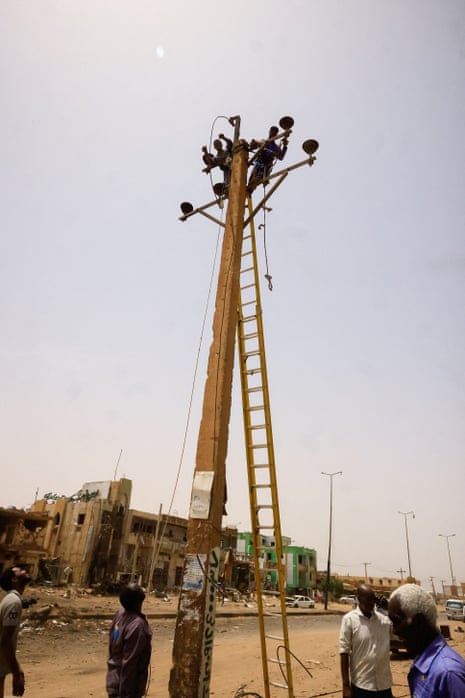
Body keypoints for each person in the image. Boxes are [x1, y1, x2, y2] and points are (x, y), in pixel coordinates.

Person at [388, 583, 465, 697]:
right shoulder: (423, 662)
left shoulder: (448, 674)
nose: (394, 630)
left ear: (418, 622)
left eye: (397, 622)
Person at [339, 584, 393, 698]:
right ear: (358, 599)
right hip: (362, 685)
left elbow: (402, 627)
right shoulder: (349, 620)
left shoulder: (384, 621)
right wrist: (345, 686)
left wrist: (389, 608)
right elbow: (344, 652)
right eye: (367, 600)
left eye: (373, 599)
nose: (371, 603)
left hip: (384, 685)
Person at [106, 583, 152, 698]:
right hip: (125, 687)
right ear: (139, 602)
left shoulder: (120, 614)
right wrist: (126, 694)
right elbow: (129, 663)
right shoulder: (137, 626)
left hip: (113, 680)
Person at [0, 566, 32, 698]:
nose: (24, 570)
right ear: (14, 579)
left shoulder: (11, 599)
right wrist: (17, 672)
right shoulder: (14, 602)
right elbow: (5, 640)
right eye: (19, 570)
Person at [247, 125, 289, 191]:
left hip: (267, 165)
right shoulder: (264, 142)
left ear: (276, 134)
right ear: (269, 132)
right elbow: (256, 144)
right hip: (260, 161)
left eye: (275, 133)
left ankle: (254, 184)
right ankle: (251, 186)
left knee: (259, 177)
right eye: (272, 131)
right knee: (253, 178)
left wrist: (285, 146)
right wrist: (254, 143)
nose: (273, 133)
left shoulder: (275, 147)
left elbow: (281, 157)